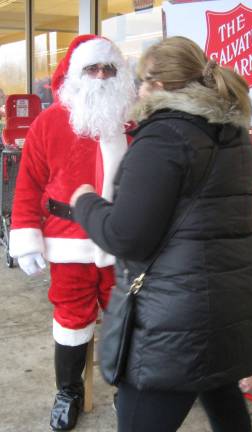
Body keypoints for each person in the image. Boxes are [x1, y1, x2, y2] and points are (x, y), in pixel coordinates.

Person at [70, 36, 252, 432]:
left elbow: (126, 237)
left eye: (142, 81)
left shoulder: (163, 137)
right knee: (221, 389)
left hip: (176, 321)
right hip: (231, 304)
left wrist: (86, 203)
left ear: (159, 86)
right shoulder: (231, 133)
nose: (138, 90)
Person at [9, 34, 135, 431]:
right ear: (75, 74)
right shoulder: (49, 122)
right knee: (71, 316)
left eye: (108, 69)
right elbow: (28, 182)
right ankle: (68, 392)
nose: (100, 76)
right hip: (68, 239)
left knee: (127, 315)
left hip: (122, 239)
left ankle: (128, 390)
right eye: (92, 68)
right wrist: (26, 234)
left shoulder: (135, 120)